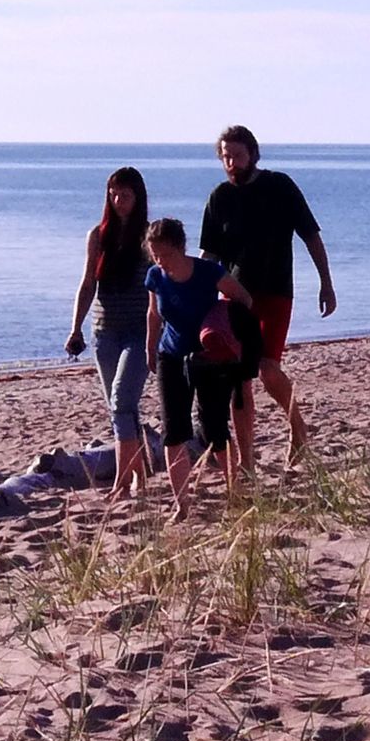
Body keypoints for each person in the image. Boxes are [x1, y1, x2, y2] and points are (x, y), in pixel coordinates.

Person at [200, 126, 334, 469]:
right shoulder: (219, 197)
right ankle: (246, 461)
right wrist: (194, 296)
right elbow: (209, 255)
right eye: (225, 157)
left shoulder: (279, 186)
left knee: (267, 368)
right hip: (234, 298)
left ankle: (298, 430)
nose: (232, 162)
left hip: (275, 292)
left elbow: (311, 236)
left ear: (253, 155)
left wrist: (326, 283)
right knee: (237, 380)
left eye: (238, 156)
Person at [141, 217, 259, 518]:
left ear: (182, 247)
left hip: (209, 358)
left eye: (166, 254)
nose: (160, 261)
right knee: (173, 430)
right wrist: (149, 349)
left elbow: (243, 299)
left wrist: (225, 326)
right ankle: (182, 505)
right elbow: (154, 315)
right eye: (155, 255)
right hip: (171, 356)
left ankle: (235, 491)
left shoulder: (209, 272)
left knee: (214, 427)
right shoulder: (155, 276)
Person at [63, 166, 160, 506]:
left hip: (140, 330)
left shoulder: (149, 237)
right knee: (121, 408)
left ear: (138, 198)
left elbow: (162, 286)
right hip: (105, 332)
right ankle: (138, 474)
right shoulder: (98, 236)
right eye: (114, 195)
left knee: (121, 400)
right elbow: (88, 283)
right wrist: (75, 327)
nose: (119, 201)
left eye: (126, 195)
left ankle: (123, 477)